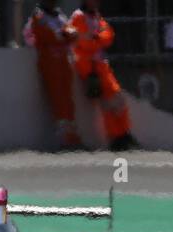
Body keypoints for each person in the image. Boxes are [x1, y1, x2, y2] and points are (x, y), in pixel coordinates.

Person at [69, 0, 138, 150]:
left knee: (117, 98)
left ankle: (123, 133)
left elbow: (108, 34)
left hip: (100, 64)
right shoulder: (78, 17)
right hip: (89, 65)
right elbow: (83, 42)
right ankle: (117, 137)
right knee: (108, 102)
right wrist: (97, 39)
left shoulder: (96, 17)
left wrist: (97, 39)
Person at [23, 1, 81, 148]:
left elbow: (72, 32)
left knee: (68, 99)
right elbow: (44, 35)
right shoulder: (39, 15)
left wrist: (65, 34)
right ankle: (64, 139)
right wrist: (62, 35)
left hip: (63, 61)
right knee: (58, 98)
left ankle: (72, 136)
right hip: (49, 61)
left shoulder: (59, 15)